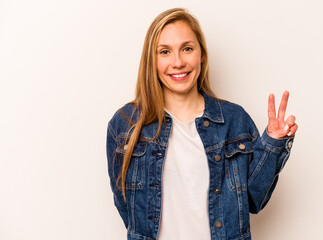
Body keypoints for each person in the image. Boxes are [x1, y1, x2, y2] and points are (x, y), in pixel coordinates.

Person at [106, 8, 298, 240]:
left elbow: (253, 201)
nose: (178, 62)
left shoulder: (234, 120)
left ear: (202, 54)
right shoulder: (126, 124)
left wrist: (273, 144)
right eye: (165, 52)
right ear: (152, 60)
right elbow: (128, 209)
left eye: (187, 48)